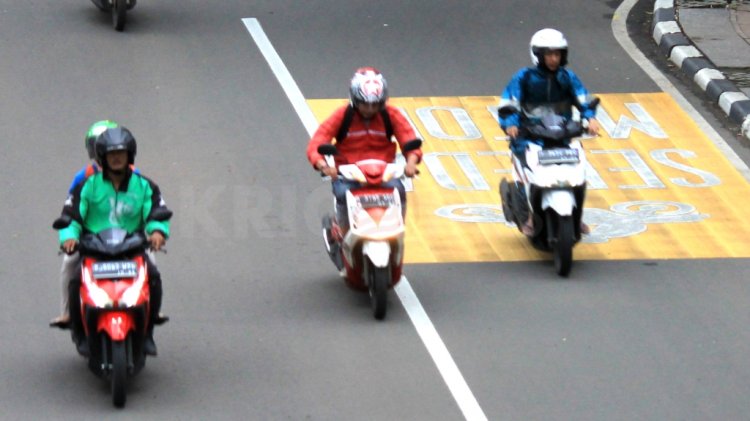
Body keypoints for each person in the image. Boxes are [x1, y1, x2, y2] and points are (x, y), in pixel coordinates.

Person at [55, 126, 170, 356]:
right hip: (92, 245)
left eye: (121, 153)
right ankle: (75, 325)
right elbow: (71, 215)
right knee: (72, 270)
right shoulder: (87, 185)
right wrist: (69, 238)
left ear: (130, 155)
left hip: (133, 244)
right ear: (102, 157)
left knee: (153, 274)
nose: (116, 158)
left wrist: (157, 232)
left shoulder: (144, 185)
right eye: (111, 154)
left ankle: (148, 330)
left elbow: (156, 211)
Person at [497, 28, 600, 235]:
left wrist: (590, 118)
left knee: (580, 170)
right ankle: (526, 215)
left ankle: (577, 216)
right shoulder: (524, 78)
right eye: (549, 54)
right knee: (521, 170)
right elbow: (510, 104)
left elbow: (583, 99)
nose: (553, 59)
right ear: (538, 55)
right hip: (529, 137)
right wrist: (511, 124)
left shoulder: (568, 77)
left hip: (563, 135)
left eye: (557, 54)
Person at [306, 67, 423, 234]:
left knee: (399, 190)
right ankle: (342, 230)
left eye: (375, 105)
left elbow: (409, 140)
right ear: (355, 99)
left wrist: (411, 163)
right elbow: (316, 144)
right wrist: (323, 166)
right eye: (365, 104)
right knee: (342, 193)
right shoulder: (342, 115)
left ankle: (398, 230)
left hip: (383, 173)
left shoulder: (391, 115)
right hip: (348, 174)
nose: (370, 109)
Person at [49, 120, 120, 329]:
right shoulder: (84, 177)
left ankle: (151, 308)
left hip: (127, 236)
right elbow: (71, 208)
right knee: (70, 262)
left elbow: (147, 204)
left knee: (149, 261)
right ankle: (67, 312)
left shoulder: (133, 176)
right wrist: (69, 237)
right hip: (92, 237)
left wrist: (154, 231)